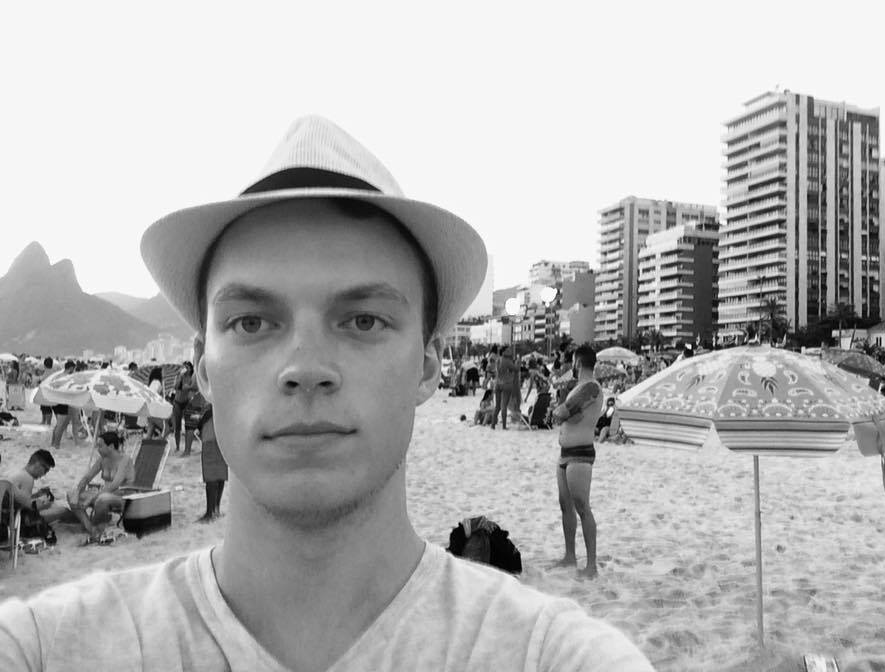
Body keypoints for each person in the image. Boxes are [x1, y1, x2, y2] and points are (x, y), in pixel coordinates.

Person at [0, 116, 650, 670]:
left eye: (363, 320)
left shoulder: (550, 655)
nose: (305, 368)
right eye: (251, 323)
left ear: (428, 366)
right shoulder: (51, 646)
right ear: (202, 369)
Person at [552, 345, 604, 579]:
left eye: (573, 362)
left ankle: (591, 565)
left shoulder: (591, 387)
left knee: (582, 507)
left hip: (580, 453)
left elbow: (563, 413)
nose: (571, 366)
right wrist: (565, 413)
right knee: (566, 505)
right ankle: (570, 555)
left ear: (578, 363)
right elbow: (567, 414)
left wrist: (564, 412)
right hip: (566, 452)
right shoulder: (579, 388)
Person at [67, 431, 134, 544]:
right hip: (104, 494)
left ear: (111, 446)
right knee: (71, 494)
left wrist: (91, 498)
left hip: (123, 496)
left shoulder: (125, 460)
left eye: (100, 446)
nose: (97, 449)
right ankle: (91, 529)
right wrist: (78, 491)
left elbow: (115, 484)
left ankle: (96, 527)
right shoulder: (103, 459)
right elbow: (87, 477)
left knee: (102, 498)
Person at [197, 402, 227, 523]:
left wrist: (200, 420)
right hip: (222, 437)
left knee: (211, 476)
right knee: (220, 473)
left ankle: (210, 513)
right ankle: (216, 509)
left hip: (210, 437)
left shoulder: (211, 404)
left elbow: (201, 423)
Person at [50, 360, 84, 448]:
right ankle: (56, 444)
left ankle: (53, 443)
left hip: (55, 401)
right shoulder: (67, 377)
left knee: (59, 424)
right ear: (71, 368)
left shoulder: (58, 376)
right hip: (62, 402)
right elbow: (69, 390)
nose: (74, 370)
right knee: (60, 425)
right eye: (73, 369)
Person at [170, 361, 198, 452]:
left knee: (188, 426)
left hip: (187, 402)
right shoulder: (179, 376)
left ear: (190, 368)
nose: (185, 369)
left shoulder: (192, 377)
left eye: (187, 367)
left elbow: (195, 388)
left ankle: (187, 447)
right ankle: (177, 446)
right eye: (184, 367)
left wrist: (189, 387)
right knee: (177, 426)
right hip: (177, 402)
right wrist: (180, 376)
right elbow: (175, 387)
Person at [492, 347, 518, 430]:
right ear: (503, 352)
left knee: (497, 406)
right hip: (506, 384)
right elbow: (516, 369)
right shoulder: (507, 361)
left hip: (498, 383)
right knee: (504, 406)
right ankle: (504, 426)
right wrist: (518, 362)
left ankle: (493, 425)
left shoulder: (498, 360)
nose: (510, 352)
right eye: (508, 351)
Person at [37, 357, 56, 426]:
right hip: (50, 392)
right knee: (45, 407)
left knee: (46, 408)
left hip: (45, 392)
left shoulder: (46, 372)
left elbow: (41, 381)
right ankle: (45, 421)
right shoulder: (53, 372)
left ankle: (47, 422)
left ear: (44, 364)